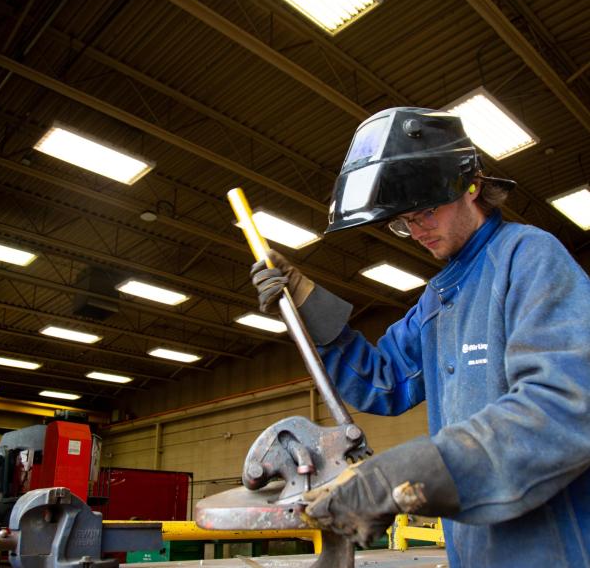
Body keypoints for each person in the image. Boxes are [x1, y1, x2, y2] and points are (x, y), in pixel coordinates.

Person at [250, 107, 590, 567]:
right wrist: (306, 298)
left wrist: (420, 469)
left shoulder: (528, 257)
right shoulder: (438, 298)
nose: (415, 231)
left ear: (470, 185)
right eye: (403, 221)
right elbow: (383, 380)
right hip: (472, 551)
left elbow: (565, 404)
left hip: (553, 550)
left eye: (426, 211)